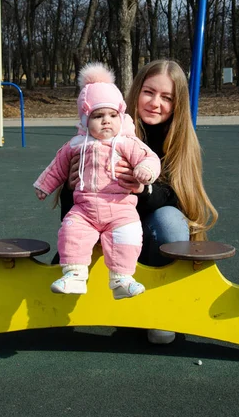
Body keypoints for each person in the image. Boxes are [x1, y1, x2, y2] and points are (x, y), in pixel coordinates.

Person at [59, 59, 218, 343]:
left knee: (169, 219)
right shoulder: (105, 125)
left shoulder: (178, 141)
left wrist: (141, 188)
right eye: (149, 92)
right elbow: (70, 205)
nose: (156, 103)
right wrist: (71, 186)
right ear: (135, 92)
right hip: (101, 226)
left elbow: (178, 198)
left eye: (167, 97)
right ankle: (78, 279)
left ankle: (161, 307)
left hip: (148, 237)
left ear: (177, 103)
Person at [34, 63, 161, 300]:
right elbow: (57, 166)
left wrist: (145, 171)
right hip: (85, 208)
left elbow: (149, 158)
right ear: (84, 119)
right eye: (98, 115)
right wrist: (44, 185)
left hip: (121, 208)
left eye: (112, 115)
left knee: (128, 235)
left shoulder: (126, 142)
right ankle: (74, 274)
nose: (106, 121)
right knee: (71, 231)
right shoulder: (76, 144)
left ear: (121, 117)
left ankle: (122, 278)